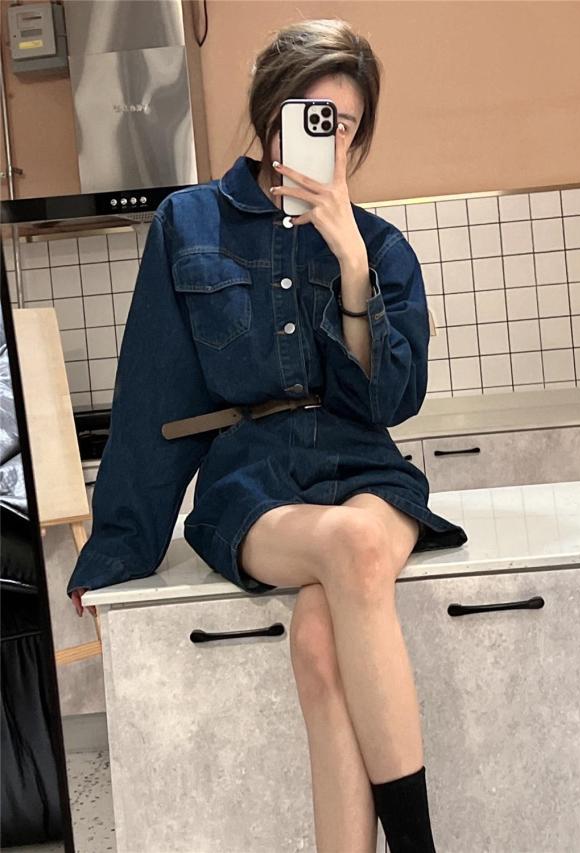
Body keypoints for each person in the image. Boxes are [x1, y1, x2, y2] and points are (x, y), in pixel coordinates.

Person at [69, 18, 468, 853]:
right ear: (268, 110)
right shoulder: (189, 224)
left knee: (321, 638)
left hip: (364, 465)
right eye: (308, 114)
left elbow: (394, 399)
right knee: (352, 546)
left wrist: (352, 266)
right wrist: (116, 546)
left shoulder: (379, 246)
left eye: (345, 124)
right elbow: (152, 394)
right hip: (254, 481)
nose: (328, 137)